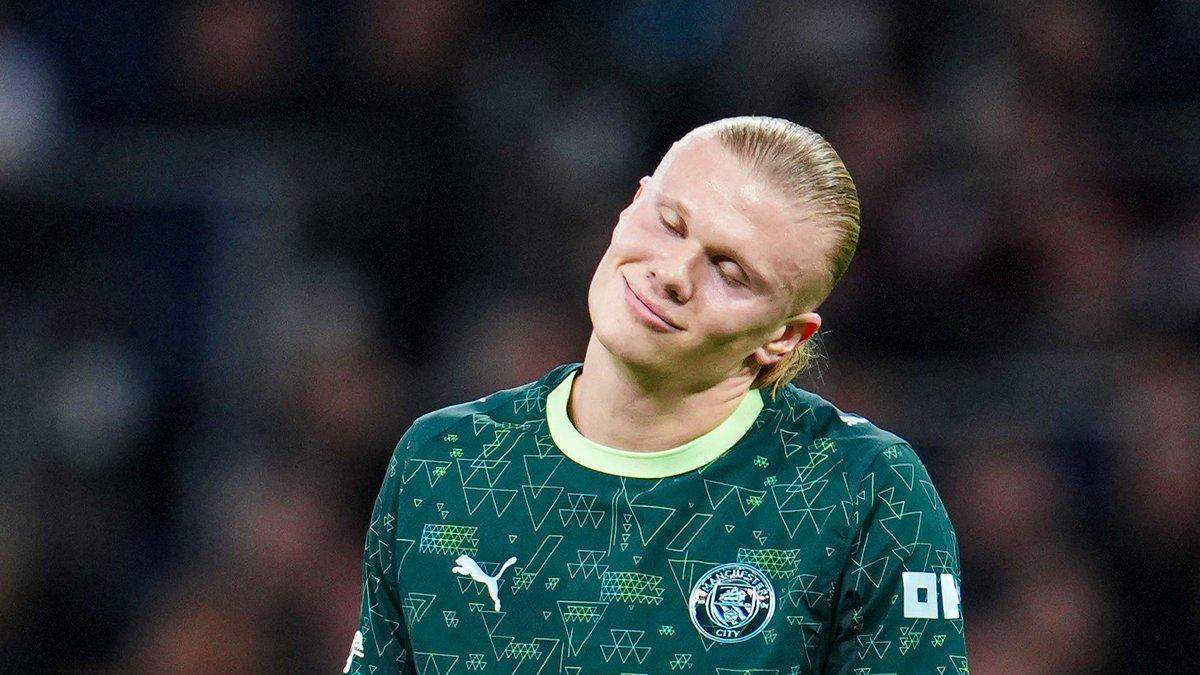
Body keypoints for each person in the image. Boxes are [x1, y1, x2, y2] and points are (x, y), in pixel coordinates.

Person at [345, 116, 969, 674]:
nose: (673, 274)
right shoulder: (443, 462)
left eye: (730, 271)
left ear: (783, 338)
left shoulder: (862, 490)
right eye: (669, 224)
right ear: (631, 204)